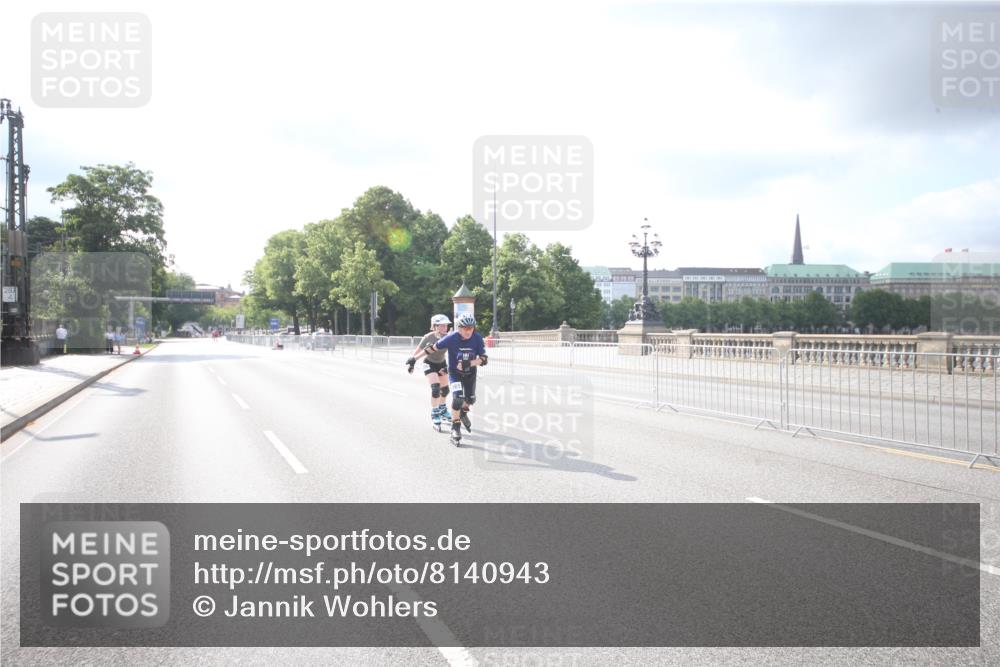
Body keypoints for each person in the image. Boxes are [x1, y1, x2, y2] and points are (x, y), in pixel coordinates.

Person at [408, 312, 487, 446]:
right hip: (455, 373)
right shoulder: (451, 337)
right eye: (466, 328)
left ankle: (462, 413)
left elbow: (484, 359)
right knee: (457, 398)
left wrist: (470, 363)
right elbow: (432, 348)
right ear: (459, 328)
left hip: (470, 374)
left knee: (470, 400)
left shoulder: (477, 338)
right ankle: (455, 429)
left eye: (471, 328)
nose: (469, 331)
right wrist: (414, 359)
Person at [405, 314, 452, 428]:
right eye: (441, 326)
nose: (444, 328)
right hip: (429, 363)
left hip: (442, 363)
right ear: (435, 326)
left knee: (445, 390)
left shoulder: (449, 337)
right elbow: (417, 351)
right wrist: (412, 363)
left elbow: (454, 355)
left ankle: (442, 409)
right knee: (436, 388)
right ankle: (435, 412)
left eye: (446, 326)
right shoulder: (428, 337)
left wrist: (448, 367)